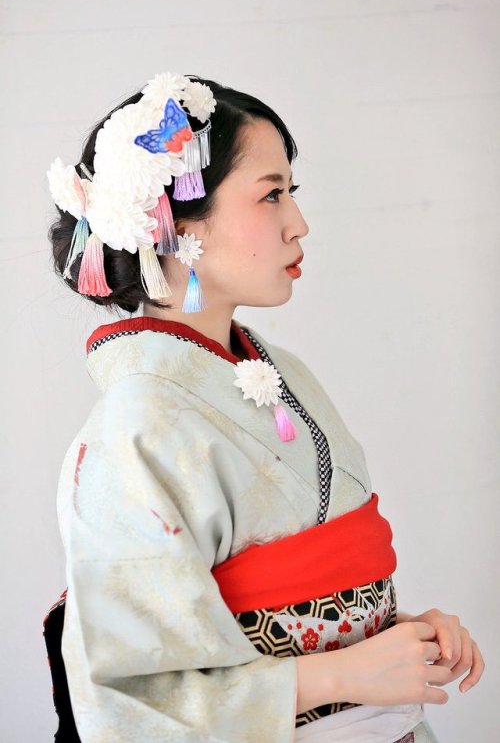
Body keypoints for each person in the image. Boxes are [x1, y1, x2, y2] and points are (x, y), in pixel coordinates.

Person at [44, 72, 484, 743]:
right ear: (177, 223)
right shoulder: (132, 429)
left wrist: (402, 637)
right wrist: (342, 676)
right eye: (270, 195)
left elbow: (325, 578)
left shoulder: (278, 373)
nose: (297, 223)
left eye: (292, 193)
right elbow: (130, 700)